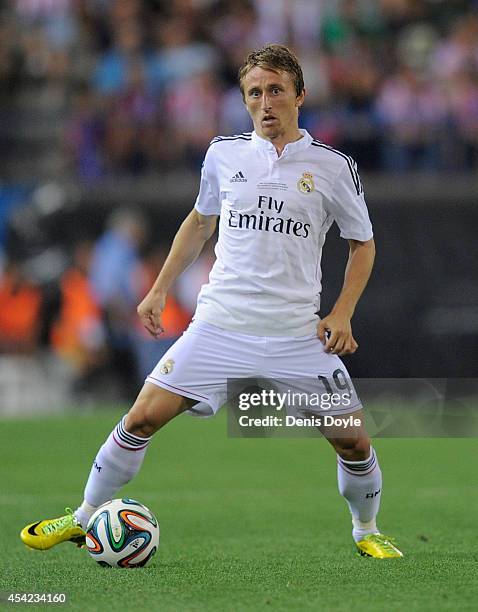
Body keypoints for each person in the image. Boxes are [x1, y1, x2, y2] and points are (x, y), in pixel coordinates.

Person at [20, 44, 402, 559]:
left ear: (300, 96)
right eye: (254, 93)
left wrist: (342, 312)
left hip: (294, 333)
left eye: (275, 91)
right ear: (243, 100)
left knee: (354, 441)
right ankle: (82, 517)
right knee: (141, 418)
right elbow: (200, 223)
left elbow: (363, 243)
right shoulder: (224, 154)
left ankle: (367, 530)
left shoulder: (332, 167)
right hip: (220, 324)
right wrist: (157, 288)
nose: (265, 103)